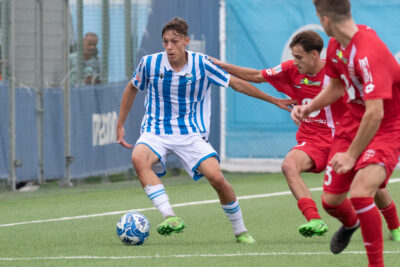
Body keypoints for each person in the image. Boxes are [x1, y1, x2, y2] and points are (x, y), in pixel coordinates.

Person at [116, 17, 295, 244]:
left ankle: (240, 231)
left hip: (190, 133)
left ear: (186, 41)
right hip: (155, 130)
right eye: (166, 42)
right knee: (138, 158)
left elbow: (237, 84)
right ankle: (169, 216)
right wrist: (120, 124)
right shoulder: (149, 63)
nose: (169, 47)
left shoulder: (202, 64)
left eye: (175, 41)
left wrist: (274, 100)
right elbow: (132, 87)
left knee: (217, 178)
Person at [211, 30, 400, 241]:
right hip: (312, 141)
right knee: (289, 166)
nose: (295, 62)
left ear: (314, 55)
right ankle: (314, 220)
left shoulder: (337, 72)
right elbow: (257, 76)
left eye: (299, 57)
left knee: (373, 186)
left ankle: (395, 227)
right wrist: (223, 65)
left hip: (344, 139)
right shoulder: (291, 70)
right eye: (294, 56)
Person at [291, 0, 400, 266]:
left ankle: (377, 263)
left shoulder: (368, 52)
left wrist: (352, 156)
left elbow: (376, 113)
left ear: (325, 19)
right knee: (331, 202)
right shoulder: (336, 45)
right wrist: (309, 108)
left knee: (361, 193)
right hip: (351, 125)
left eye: (318, 16)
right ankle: (351, 224)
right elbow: (338, 87)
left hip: (385, 128)